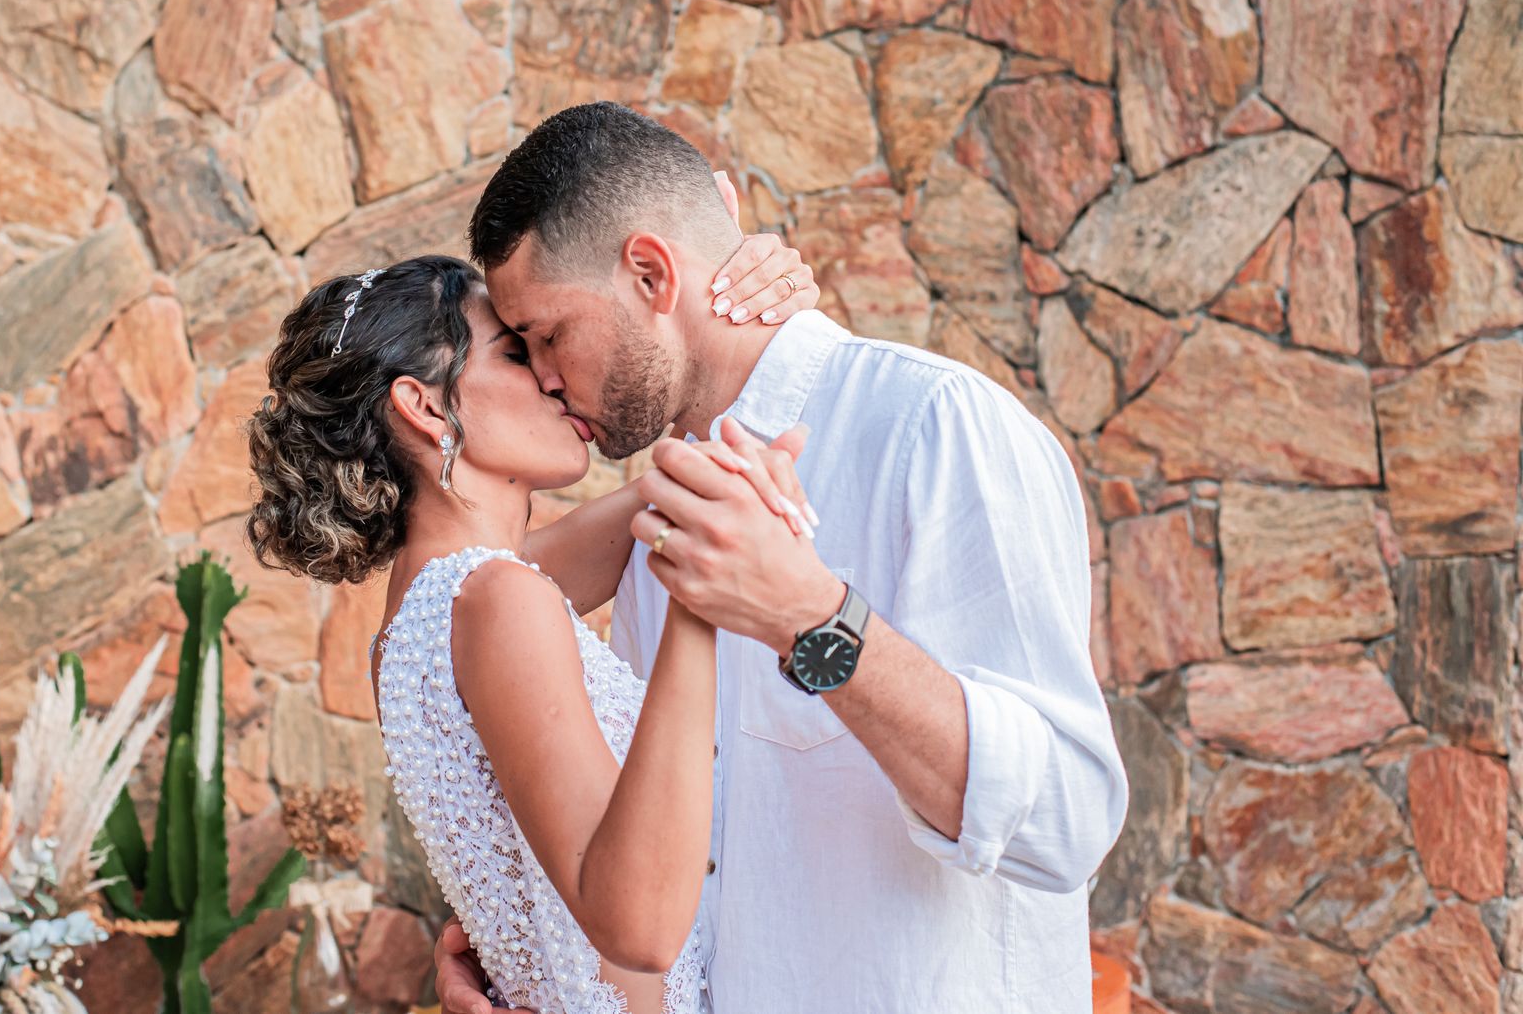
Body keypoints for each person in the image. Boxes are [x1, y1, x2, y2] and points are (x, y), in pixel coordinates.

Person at [429, 101, 1129, 1014]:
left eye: (550, 335)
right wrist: (520, 947)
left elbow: (1068, 821)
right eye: (518, 350)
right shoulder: (656, 520)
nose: (544, 377)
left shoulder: (935, 429)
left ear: (649, 272)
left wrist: (812, 619)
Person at [245, 230, 822, 1013]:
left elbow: (693, 481)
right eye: (517, 355)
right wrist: (700, 603)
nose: (554, 378)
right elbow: (640, 927)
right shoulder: (496, 600)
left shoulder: (425, 618)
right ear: (424, 407)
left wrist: (732, 288)